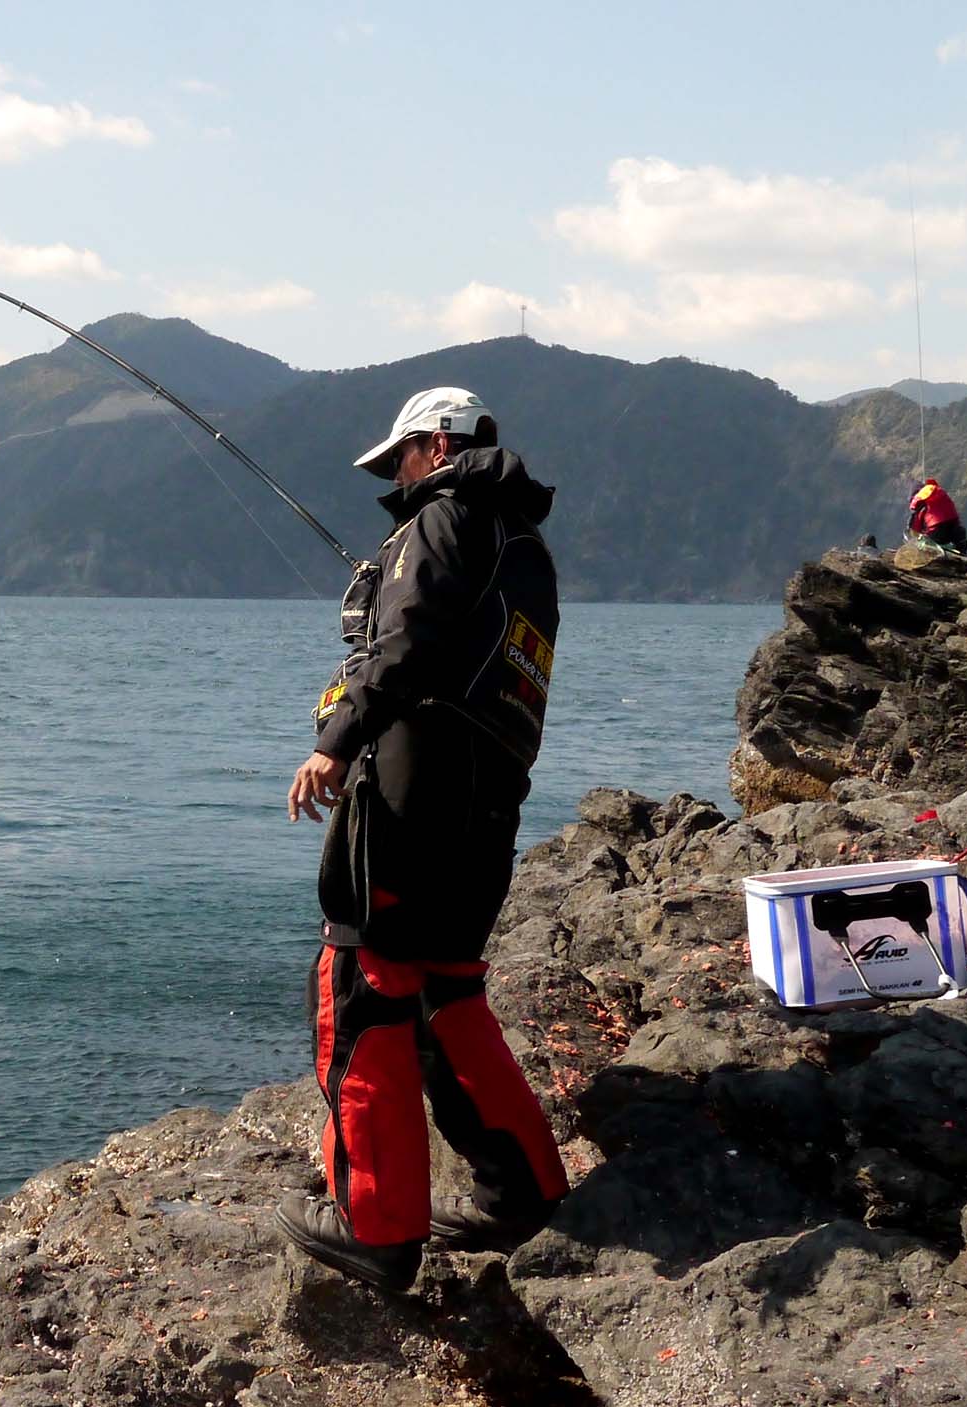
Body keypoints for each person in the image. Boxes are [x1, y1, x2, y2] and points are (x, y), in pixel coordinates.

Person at [275, 387, 572, 1292]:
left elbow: (404, 643)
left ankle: (376, 1225)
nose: (394, 480)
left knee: (362, 978)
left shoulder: (444, 517)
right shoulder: (526, 548)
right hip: (490, 803)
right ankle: (522, 1193)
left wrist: (334, 742)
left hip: (416, 787)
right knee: (447, 990)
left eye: (400, 459)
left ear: (437, 446)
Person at [909, 479, 967, 554]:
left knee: (926, 546)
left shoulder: (921, 500)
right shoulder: (938, 491)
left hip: (937, 529)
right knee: (958, 541)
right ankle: (961, 549)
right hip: (955, 525)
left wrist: (916, 538)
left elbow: (916, 528)